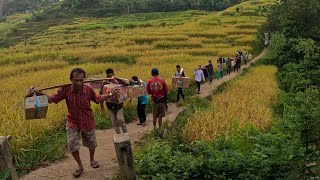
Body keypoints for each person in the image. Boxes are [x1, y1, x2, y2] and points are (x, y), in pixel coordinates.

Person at [28, 68, 114, 178]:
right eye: (76, 80)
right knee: (72, 145)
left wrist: (110, 95)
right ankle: (80, 166)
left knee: (91, 143)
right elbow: (51, 99)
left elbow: (97, 99)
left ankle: (92, 159)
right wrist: (37, 93)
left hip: (87, 119)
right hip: (72, 120)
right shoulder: (66, 89)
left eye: (81, 80)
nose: (78, 83)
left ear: (84, 80)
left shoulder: (88, 89)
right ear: (71, 80)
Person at [100, 68, 128, 134]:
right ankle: (119, 135)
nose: (109, 77)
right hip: (109, 106)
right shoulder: (105, 84)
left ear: (113, 74)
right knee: (114, 122)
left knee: (120, 119)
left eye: (111, 76)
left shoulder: (118, 82)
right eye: (108, 76)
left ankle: (124, 130)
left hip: (119, 105)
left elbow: (126, 84)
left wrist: (117, 78)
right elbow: (101, 95)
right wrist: (102, 106)